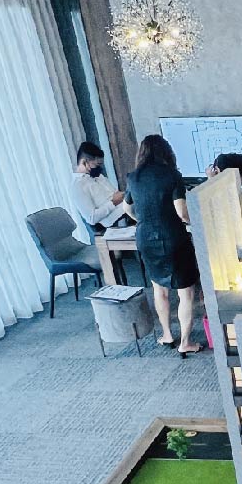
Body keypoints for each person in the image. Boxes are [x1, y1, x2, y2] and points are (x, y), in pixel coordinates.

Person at [125, 134, 202, 354]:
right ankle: (185, 343)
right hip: (172, 237)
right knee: (186, 293)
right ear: (167, 152)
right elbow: (182, 212)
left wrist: (143, 221)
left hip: (145, 238)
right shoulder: (172, 176)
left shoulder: (133, 177)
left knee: (159, 289)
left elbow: (127, 209)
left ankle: (167, 335)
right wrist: (195, 222)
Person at [71, 141, 128, 234]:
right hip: (115, 219)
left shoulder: (99, 176)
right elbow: (91, 218)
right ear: (84, 162)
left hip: (125, 207)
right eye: (97, 165)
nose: (100, 168)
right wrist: (113, 202)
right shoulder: (78, 186)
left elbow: (115, 194)